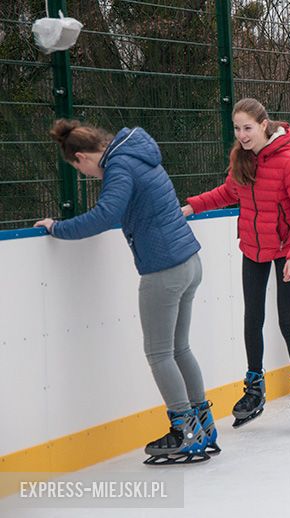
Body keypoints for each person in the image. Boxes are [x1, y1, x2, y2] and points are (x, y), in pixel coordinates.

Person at [35, 120, 215, 465]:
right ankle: (203, 426)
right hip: (189, 261)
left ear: (83, 158)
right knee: (179, 348)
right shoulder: (136, 152)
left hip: (163, 268)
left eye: (80, 169)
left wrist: (58, 227)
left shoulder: (119, 166)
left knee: (159, 353)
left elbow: (106, 215)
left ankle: (185, 431)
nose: (86, 175)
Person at [182, 98, 290, 430]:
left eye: (247, 128)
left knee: (288, 320)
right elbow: (228, 192)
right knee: (252, 319)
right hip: (254, 249)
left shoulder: (289, 162)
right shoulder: (243, 160)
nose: (242, 135)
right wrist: (191, 207)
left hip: (287, 250)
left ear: (263, 124)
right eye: (237, 128)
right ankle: (254, 388)